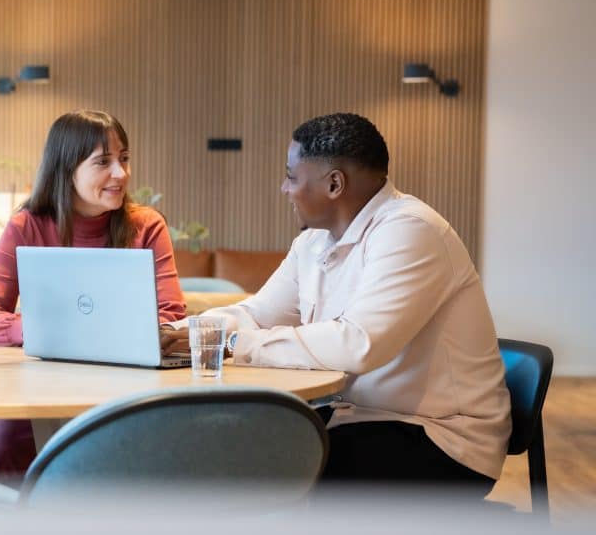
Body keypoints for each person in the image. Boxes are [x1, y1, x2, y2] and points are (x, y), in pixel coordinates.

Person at [161, 113, 511, 496]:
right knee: (225, 450)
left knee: (262, 474)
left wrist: (234, 346)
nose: (284, 189)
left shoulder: (411, 231)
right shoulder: (312, 243)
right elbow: (256, 313)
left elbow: (358, 344)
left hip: (441, 438)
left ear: (334, 183)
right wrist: (179, 332)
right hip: (355, 417)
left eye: (292, 177)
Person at [0, 109, 186, 483]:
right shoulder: (27, 225)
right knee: (6, 441)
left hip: (128, 387)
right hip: (37, 386)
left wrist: (80, 334)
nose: (121, 173)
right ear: (66, 168)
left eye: (124, 159)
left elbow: (171, 316)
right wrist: (41, 330)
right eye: (103, 162)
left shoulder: (147, 226)